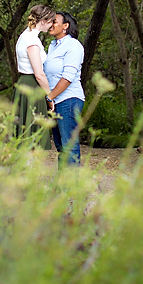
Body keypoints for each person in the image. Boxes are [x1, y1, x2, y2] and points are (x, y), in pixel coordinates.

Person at [43, 11, 85, 167]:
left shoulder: (73, 46)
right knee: (61, 146)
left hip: (69, 100)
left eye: (54, 21)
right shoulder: (52, 45)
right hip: (55, 101)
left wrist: (49, 97)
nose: (50, 24)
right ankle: (62, 186)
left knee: (69, 145)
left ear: (65, 26)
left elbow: (68, 77)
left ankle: (71, 189)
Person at [13, 4, 55, 149]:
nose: (51, 26)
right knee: (30, 138)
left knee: (27, 136)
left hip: (25, 83)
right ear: (43, 21)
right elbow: (39, 74)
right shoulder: (31, 40)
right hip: (31, 85)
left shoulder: (25, 36)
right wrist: (50, 97)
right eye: (50, 21)